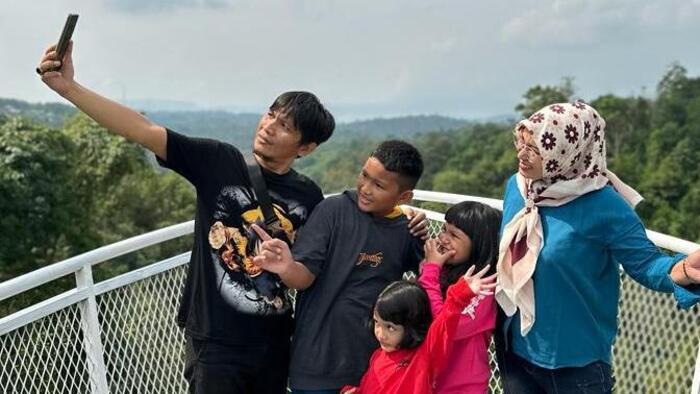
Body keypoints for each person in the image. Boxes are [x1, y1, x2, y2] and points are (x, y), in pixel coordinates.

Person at [37, 41, 339, 393]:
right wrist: (70, 88)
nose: (269, 126)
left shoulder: (309, 196)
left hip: (274, 343)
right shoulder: (219, 162)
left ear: (306, 148)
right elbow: (142, 130)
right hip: (215, 343)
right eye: (270, 113)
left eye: (284, 125)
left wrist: (401, 216)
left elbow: (315, 264)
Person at [494, 101, 700, 393]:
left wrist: (683, 271)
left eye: (536, 149)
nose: (522, 156)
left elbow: (646, 265)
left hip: (577, 367)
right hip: (518, 354)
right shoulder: (518, 188)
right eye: (522, 143)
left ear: (565, 152)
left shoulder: (604, 205)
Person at [251, 140, 429, 393]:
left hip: (374, 370)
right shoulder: (333, 210)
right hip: (315, 364)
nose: (365, 188)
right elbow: (303, 277)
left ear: (403, 196)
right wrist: (286, 267)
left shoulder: (407, 229)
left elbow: (431, 278)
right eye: (364, 176)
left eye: (378, 185)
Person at [339, 262, 498, 394]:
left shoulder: (424, 356)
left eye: (390, 327)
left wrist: (459, 295)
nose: (380, 334)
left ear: (410, 326)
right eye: (376, 322)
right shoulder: (378, 356)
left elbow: (443, 326)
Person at [417, 201, 501, 394]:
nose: (443, 238)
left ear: (479, 245)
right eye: (444, 229)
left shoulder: (483, 288)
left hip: (462, 387)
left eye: (454, 235)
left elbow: (444, 327)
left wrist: (431, 270)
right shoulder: (443, 272)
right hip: (428, 382)